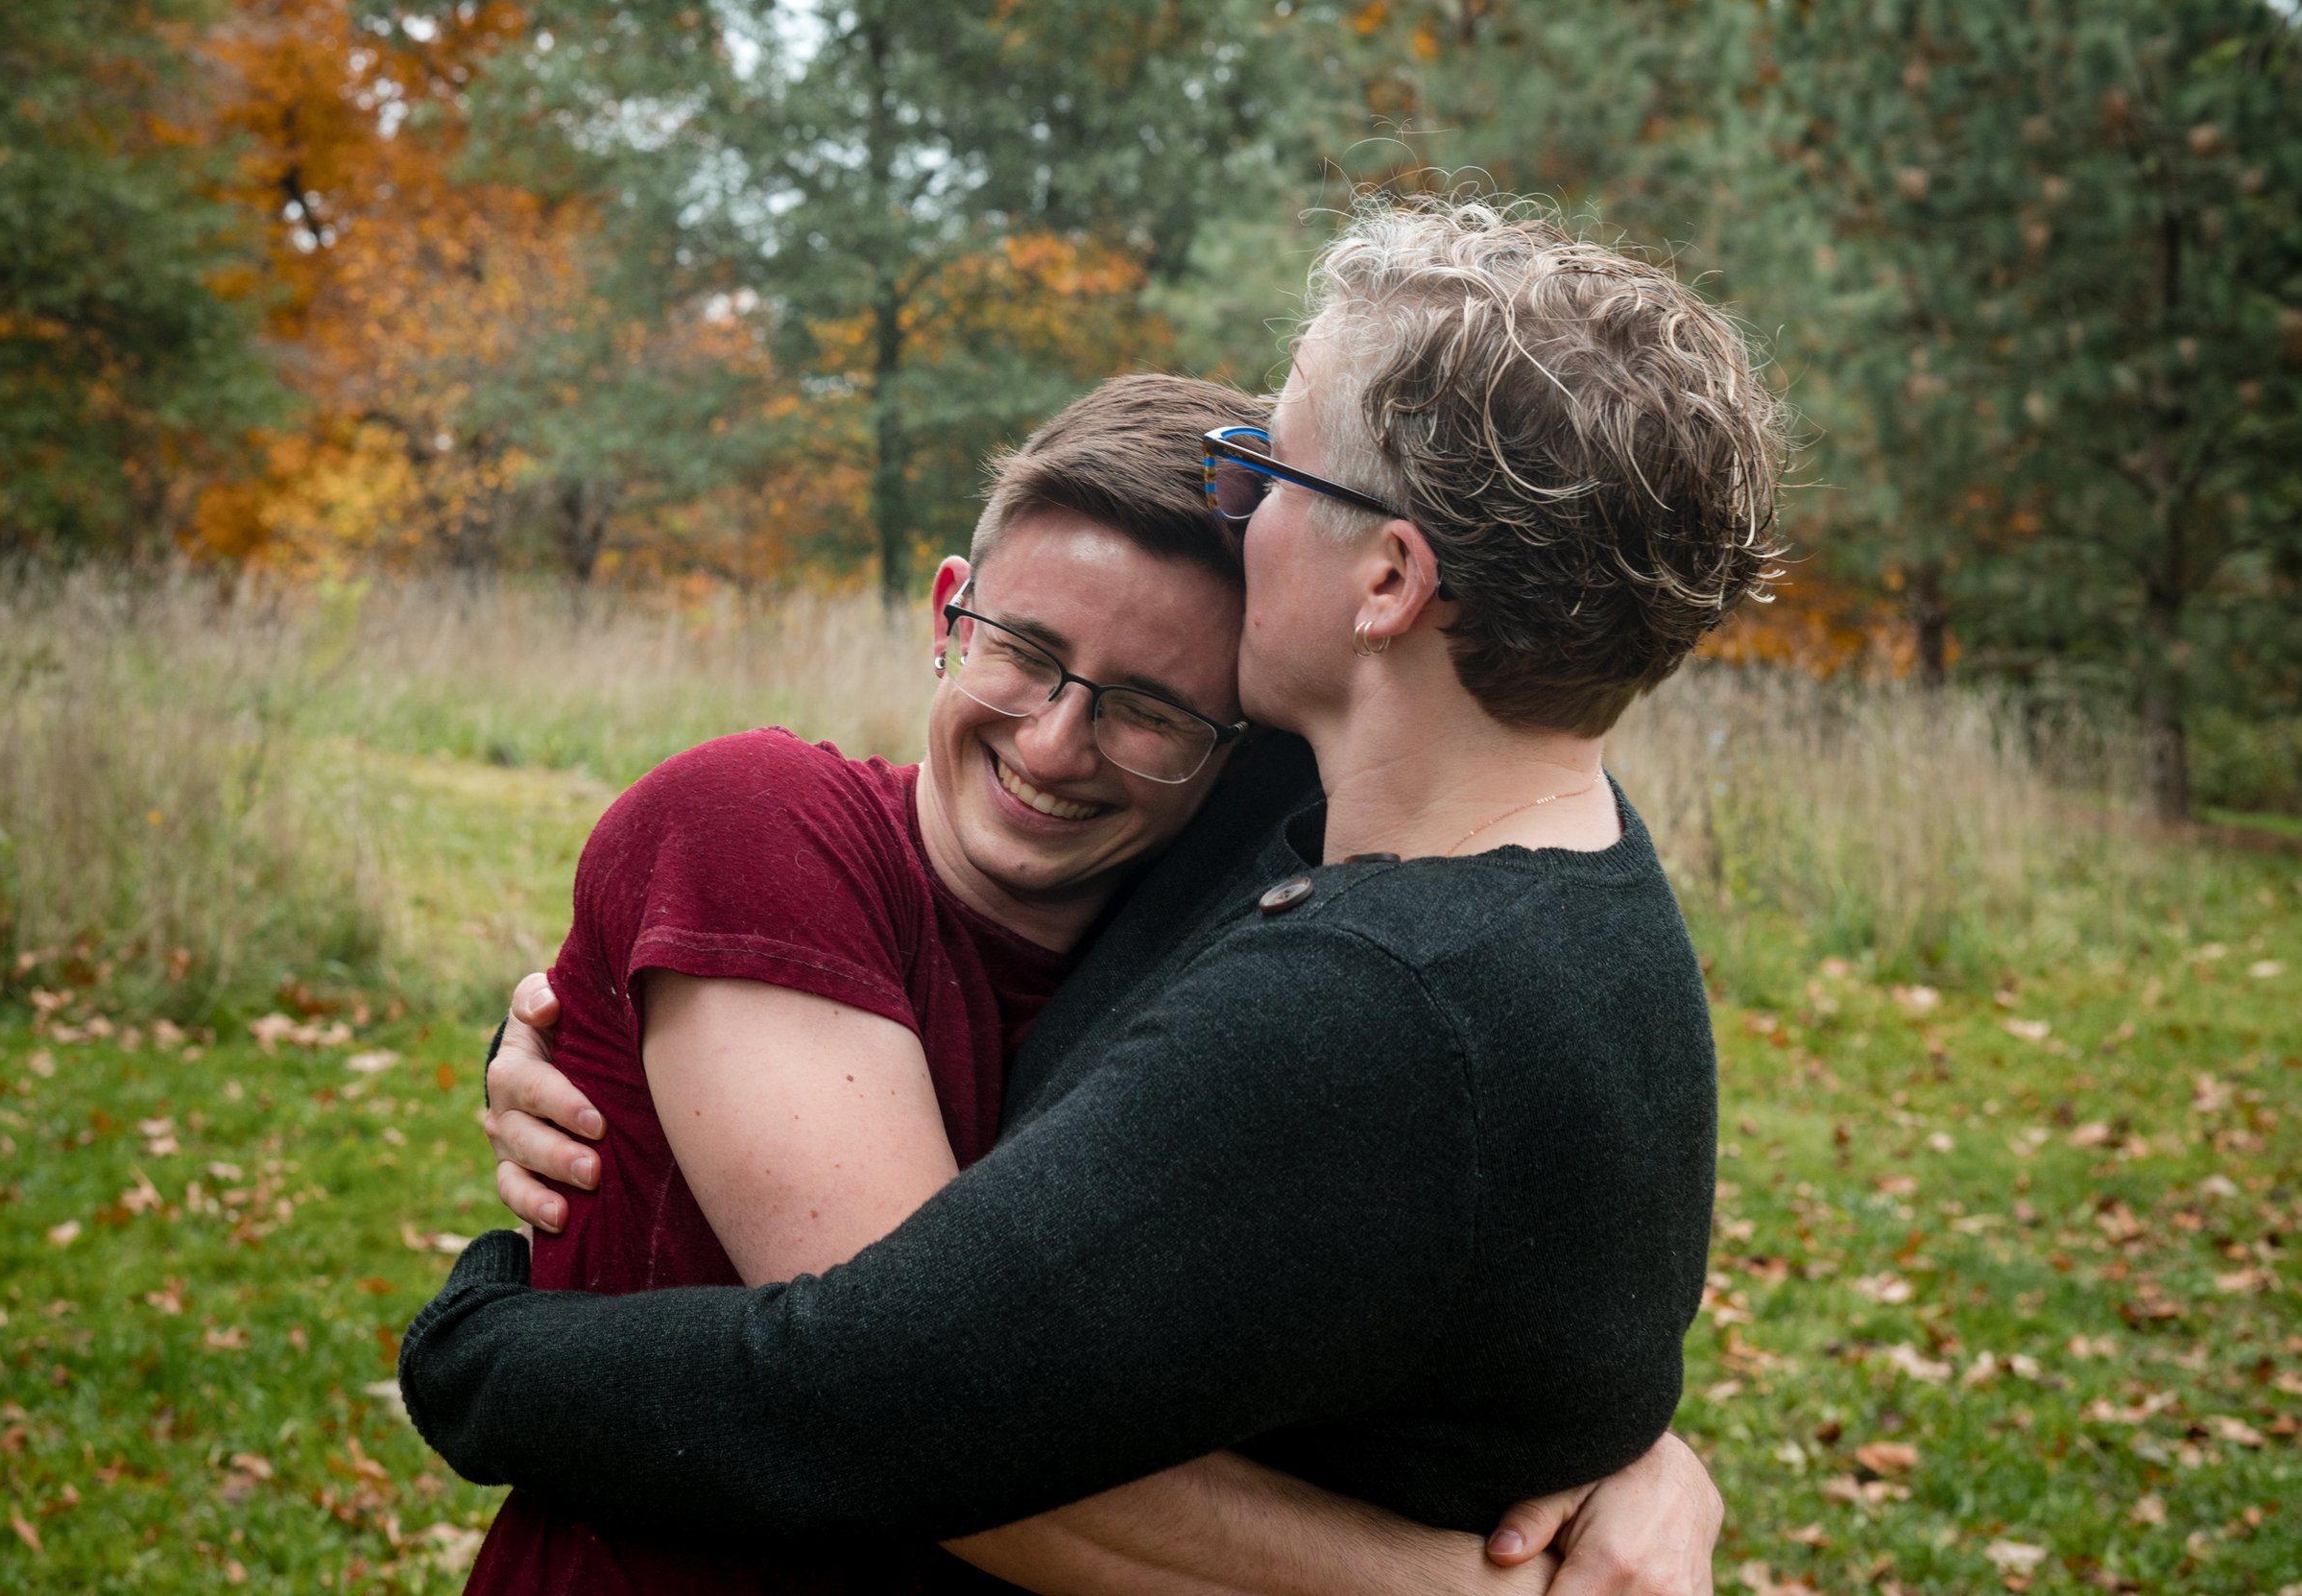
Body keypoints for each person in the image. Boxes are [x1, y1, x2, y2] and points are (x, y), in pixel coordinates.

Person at [405, 195, 1782, 1593]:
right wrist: (593, 1018)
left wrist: (481, 1345)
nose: (1239, 497)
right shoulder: (1498, 860)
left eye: (1272, 466)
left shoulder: (1356, 988)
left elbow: (889, 1409)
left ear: (1387, 576)